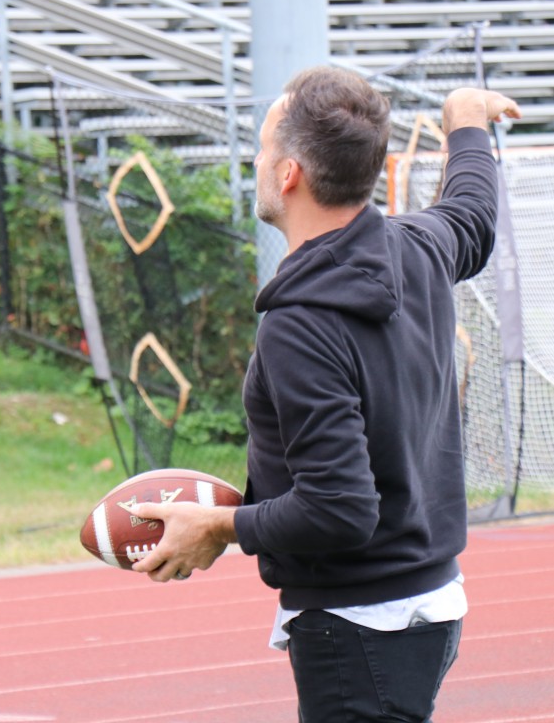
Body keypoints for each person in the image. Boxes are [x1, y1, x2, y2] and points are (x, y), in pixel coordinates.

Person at [129, 67, 521, 722]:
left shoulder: (300, 327)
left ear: (289, 174)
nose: (255, 163)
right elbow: (473, 216)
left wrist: (220, 527)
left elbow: (340, 510)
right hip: (426, 604)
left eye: (261, 150)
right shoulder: (415, 247)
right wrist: (466, 119)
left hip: (359, 625)